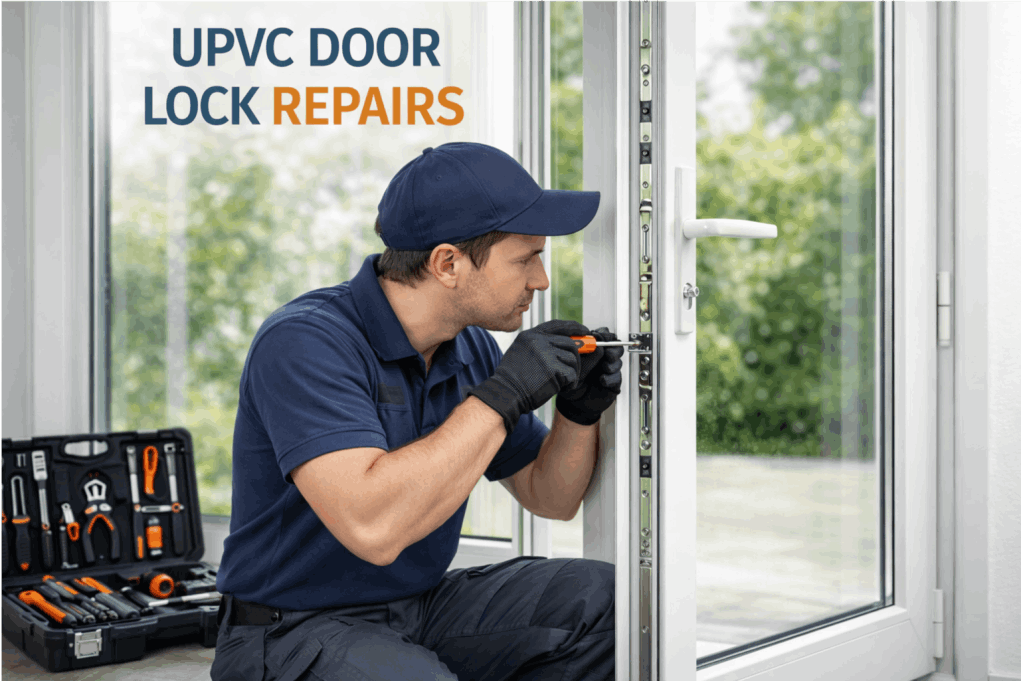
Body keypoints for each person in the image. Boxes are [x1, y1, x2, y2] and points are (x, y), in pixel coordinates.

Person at [211, 142, 625, 681]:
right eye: (526, 258)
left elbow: (551, 496)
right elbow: (373, 529)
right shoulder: (306, 341)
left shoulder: (466, 346)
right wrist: (504, 394)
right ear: (447, 263)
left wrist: (580, 410)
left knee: (604, 602)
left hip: (419, 608)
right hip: (288, 629)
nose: (540, 281)